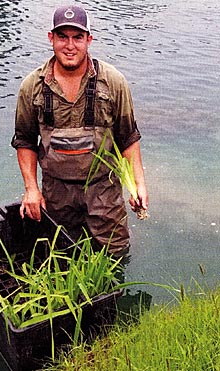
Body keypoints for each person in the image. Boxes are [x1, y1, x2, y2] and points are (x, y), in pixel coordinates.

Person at [11, 5, 148, 257]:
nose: (70, 46)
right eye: (63, 37)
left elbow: (128, 137)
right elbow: (25, 141)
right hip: (56, 193)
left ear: (89, 40)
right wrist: (31, 189)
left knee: (115, 256)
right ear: (51, 38)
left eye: (78, 37)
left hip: (103, 190)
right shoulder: (32, 87)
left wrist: (138, 184)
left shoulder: (114, 82)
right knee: (62, 255)